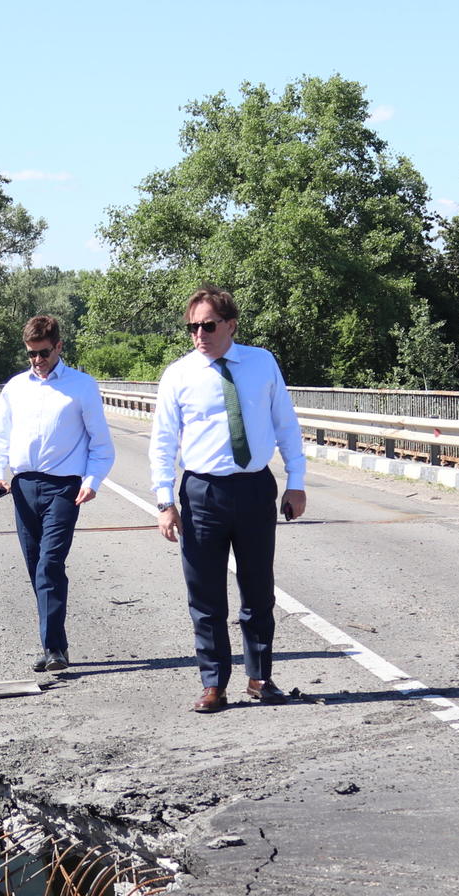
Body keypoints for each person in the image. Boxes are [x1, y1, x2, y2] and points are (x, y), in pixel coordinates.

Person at [150, 287, 307, 712]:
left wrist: (296, 481)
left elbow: (285, 423)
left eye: (207, 325)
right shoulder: (179, 374)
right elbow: (163, 442)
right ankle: (213, 683)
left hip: (254, 487)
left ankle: (260, 677)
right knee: (205, 596)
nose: (199, 334)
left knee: (258, 590)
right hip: (202, 492)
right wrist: (164, 501)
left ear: (231, 325)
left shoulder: (261, 362)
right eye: (192, 327)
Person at [0, 314, 116, 673]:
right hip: (23, 486)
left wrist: (92, 482)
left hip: (64, 488)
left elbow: (102, 444)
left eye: (43, 353)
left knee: (50, 564)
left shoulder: (82, 386)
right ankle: (55, 643)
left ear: (58, 346)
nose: (37, 361)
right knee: (35, 567)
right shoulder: (15, 388)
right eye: (31, 354)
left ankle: (54, 648)